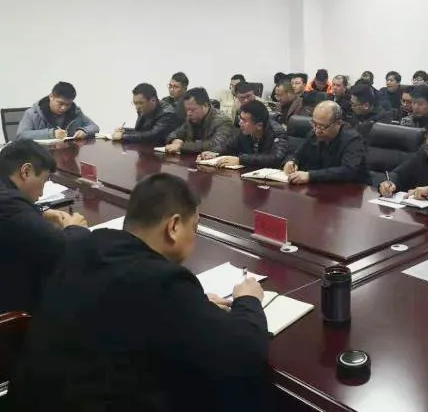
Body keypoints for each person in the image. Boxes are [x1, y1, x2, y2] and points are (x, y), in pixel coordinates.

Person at [9, 173, 268, 411]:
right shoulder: (163, 282)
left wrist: (195, 304)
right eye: (195, 228)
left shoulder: (81, 247)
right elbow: (244, 354)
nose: (195, 236)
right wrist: (248, 300)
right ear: (174, 226)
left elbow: (124, 306)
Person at [0, 140, 88, 313]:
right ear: (26, 171)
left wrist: (41, 211)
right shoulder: (8, 204)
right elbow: (63, 249)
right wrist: (75, 227)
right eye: (44, 181)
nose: (41, 193)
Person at [283, 101, 368, 185]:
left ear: (338, 123)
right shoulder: (314, 134)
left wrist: (311, 176)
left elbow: (348, 171)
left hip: (349, 189)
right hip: (320, 187)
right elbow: (297, 154)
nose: (317, 131)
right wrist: (291, 162)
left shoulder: (353, 140)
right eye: (314, 124)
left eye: (322, 127)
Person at [197, 101, 288, 169]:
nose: (240, 123)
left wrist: (241, 160)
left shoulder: (277, 132)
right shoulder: (245, 130)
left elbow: (276, 158)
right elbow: (228, 146)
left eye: (244, 120)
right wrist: (214, 153)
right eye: (240, 118)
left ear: (259, 125)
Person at [17, 82, 99, 141]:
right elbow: (22, 135)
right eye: (60, 103)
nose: (63, 108)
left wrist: (84, 131)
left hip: (68, 153)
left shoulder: (75, 112)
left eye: (68, 104)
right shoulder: (32, 113)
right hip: (42, 155)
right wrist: (52, 134)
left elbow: (94, 127)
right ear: (51, 96)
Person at [166, 88, 235, 154]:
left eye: (192, 110)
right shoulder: (190, 119)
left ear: (205, 105)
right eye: (187, 110)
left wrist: (182, 146)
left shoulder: (223, 121)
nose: (188, 113)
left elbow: (216, 145)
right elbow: (174, 134)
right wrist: (175, 140)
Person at [111, 83, 180, 146]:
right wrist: (125, 130)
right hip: (147, 148)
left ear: (153, 100)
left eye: (140, 103)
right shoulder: (143, 109)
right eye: (135, 103)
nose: (137, 107)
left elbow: (152, 136)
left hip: (164, 151)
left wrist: (123, 136)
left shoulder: (167, 113)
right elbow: (140, 131)